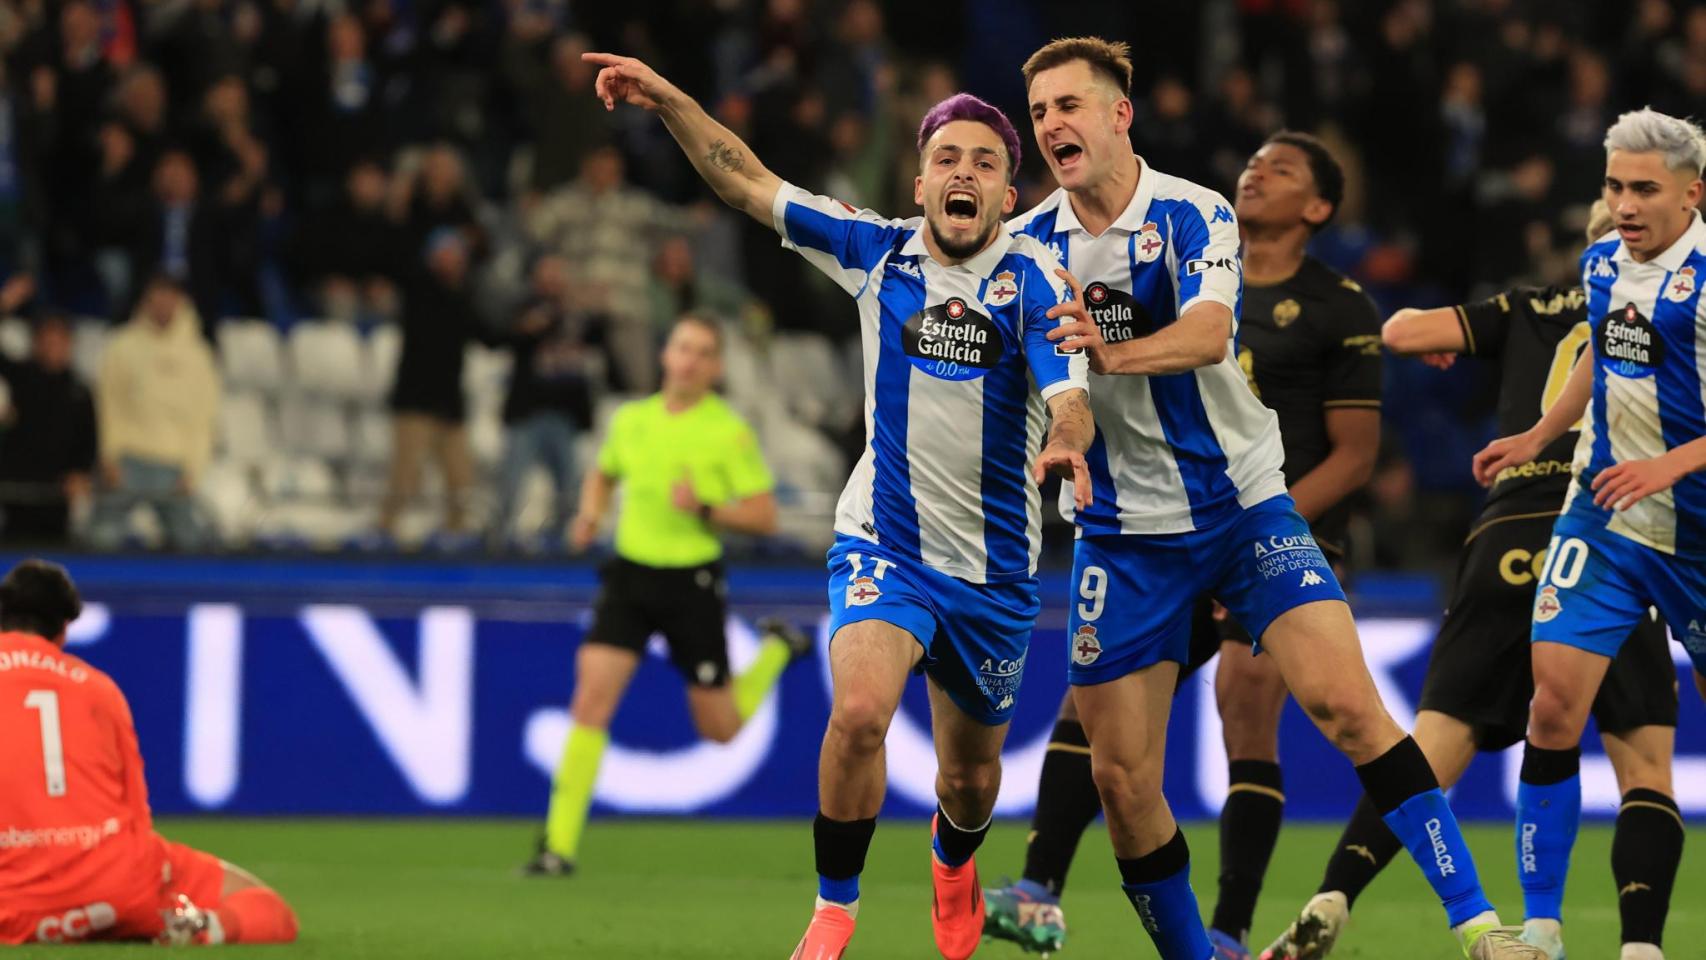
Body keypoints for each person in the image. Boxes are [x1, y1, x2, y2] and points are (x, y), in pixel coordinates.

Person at [1007, 37, 1543, 960]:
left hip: (1243, 508)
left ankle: (1481, 929)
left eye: (1070, 104)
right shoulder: (1026, 249)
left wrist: (1108, 351)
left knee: (1349, 707)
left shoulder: (1192, 211)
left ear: (1118, 114)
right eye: (1041, 110)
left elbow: (1212, 334)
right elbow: (1051, 392)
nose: (1053, 122)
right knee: (1123, 778)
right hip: (1125, 535)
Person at [581, 50, 1100, 960]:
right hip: (883, 541)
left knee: (970, 781)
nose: (964, 174)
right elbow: (746, 181)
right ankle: (834, 907)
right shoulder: (876, 248)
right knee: (859, 713)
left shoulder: (1038, 285)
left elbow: (1071, 395)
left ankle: (952, 861)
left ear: (1009, 195)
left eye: (985, 162)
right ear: (922, 179)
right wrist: (666, 98)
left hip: (992, 573)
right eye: (949, 159)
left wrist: (1068, 434)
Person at [985, 129, 1383, 959]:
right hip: (1163, 524)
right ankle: (1037, 889)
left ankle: (1228, 931)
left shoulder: (1338, 305)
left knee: (1246, 700)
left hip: (1269, 521)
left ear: (1317, 207)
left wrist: (1245, 533)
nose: (1255, 170)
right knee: (1090, 709)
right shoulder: (1183, 261)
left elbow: (1355, 454)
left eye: (1281, 169)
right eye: (1253, 159)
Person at [1261, 201, 1681, 960]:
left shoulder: (1528, 303)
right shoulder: (1666, 308)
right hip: (1610, 528)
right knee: (1643, 762)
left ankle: (1336, 891)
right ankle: (1636, 944)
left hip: (1508, 534)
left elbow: (1400, 331)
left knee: (1432, 744)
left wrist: (1443, 347)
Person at [1472, 107, 1706, 960]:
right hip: (1604, 518)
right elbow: (1606, 363)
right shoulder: (1605, 260)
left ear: (1693, 194)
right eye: (1615, 186)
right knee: (1553, 707)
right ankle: (1542, 931)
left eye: (1645, 188)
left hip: (1697, 536)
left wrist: (1671, 466)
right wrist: (1539, 436)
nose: (1626, 204)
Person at [521, 312, 806, 876]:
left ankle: (777, 651)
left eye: (703, 352)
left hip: (691, 583)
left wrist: (705, 507)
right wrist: (589, 515)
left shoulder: (727, 431)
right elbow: (603, 473)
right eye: (682, 348)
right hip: (629, 577)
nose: (690, 360)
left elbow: (765, 515)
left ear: (715, 368)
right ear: (665, 355)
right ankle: (558, 846)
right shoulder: (631, 419)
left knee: (719, 730)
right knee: (589, 704)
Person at [0, 559, 298, 945]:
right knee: (265, 908)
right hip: (115, 890)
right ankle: (200, 929)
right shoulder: (97, 688)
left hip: (11, 905)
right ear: (63, 629)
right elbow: (136, 816)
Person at [88, 274, 220, 551]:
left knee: (191, 543)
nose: (163, 304)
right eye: (157, 297)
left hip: (174, 466)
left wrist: (193, 469)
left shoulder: (199, 354)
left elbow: (203, 418)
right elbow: (109, 406)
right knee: (101, 539)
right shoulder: (122, 345)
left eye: (170, 297)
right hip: (128, 461)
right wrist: (109, 456)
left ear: (181, 302)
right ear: (146, 301)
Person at [489, 253, 600, 551]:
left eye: (557, 273)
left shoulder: (577, 313)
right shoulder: (523, 306)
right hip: (528, 410)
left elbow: (597, 344)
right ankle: (497, 539)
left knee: (569, 486)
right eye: (547, 273)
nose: (553, 279)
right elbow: (501, 335)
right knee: (511, 482)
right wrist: (528, 326)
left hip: (564, 413)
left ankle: (565, 541)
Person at [0, 313, 97, 544]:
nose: (53, 347)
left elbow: (88, 441)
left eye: (59, 341)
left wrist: (80, 471)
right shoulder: (20, 377)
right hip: (16, 492)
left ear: (69, 345)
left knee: (53, 564)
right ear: (36, 343)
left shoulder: (80, 391)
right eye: (47, 340)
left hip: (57, 495)